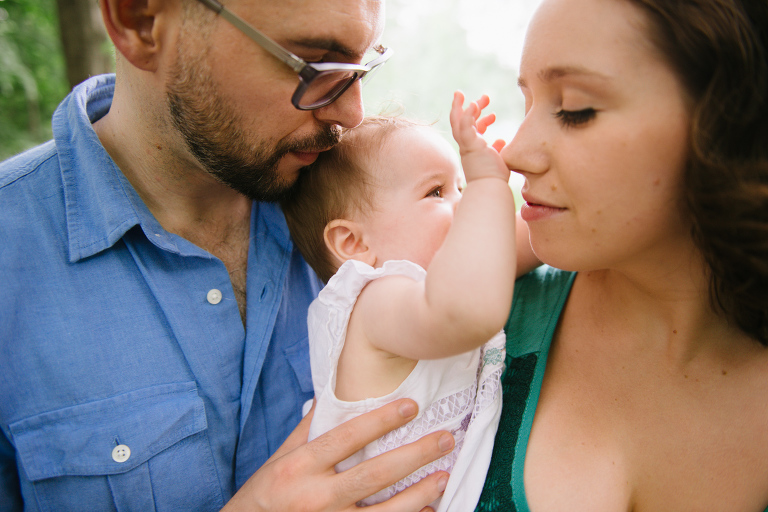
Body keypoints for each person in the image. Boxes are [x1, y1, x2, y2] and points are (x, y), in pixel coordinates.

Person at [0, 0, 459, 510]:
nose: (351, 113)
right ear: (140, 22)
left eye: (360, 68)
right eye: (315, 67)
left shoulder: (374, 207)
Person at [474, 0, 768, 510]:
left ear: (729, 123)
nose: (515, 153)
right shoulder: (474, 329)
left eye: (574, 109)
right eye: (528, 103)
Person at [282, 93, 538, 511]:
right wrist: (487, 187)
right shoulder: (374, 302)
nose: (461, 202)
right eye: (436, 192)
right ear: (353, 243)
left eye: (460, 186)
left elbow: (520, 244)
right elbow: (465, 312)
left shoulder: (438, 281)